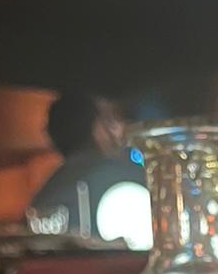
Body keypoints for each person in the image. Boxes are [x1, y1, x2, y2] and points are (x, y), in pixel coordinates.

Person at [29, 93, 146, 239]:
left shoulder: (45, 195)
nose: (121, 127)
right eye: (111, 119)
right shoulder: (133, 178)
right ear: (97, 128)